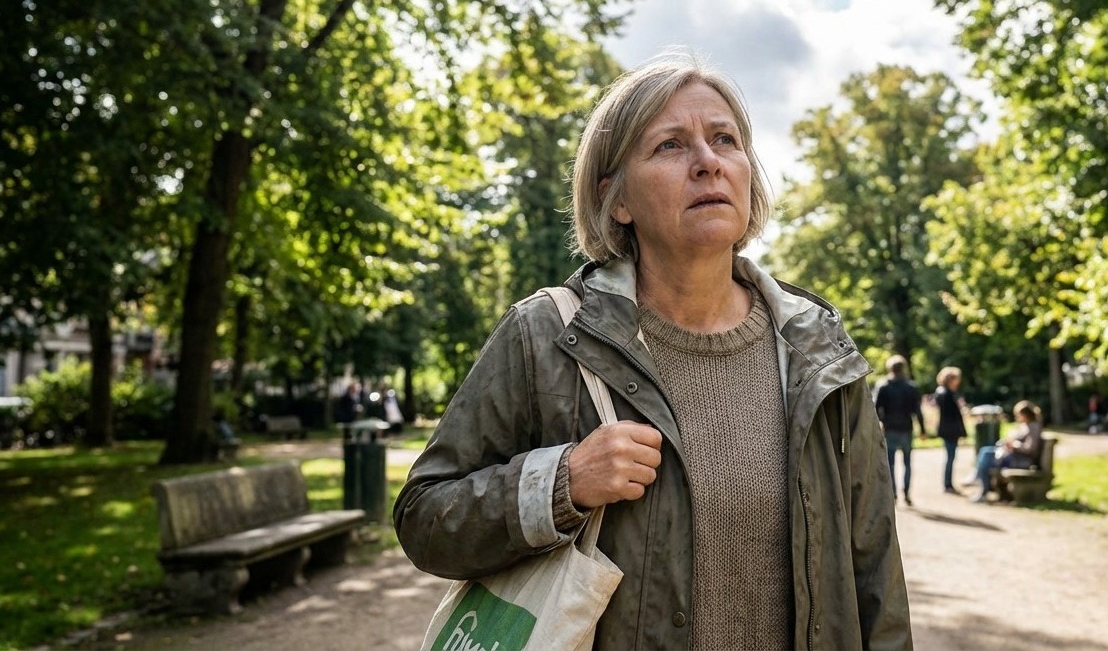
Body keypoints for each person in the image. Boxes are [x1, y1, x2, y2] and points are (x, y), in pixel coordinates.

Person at [393, 51, 913, 650]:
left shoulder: (818, 350)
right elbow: (424, 518)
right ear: (617, 199)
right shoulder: (546, 336)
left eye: (725, 139)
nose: (708, 162)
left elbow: (874, 570)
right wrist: (562, 483)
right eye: (670, 145)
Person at [875, 355, 925, 506]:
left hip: (890, 428)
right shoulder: (910, 387)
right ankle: (907, 493)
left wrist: (881, 422)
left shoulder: (883, 386)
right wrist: (922, 429)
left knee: (890, 463)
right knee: (907, 463)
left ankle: (894, 494)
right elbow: (917, 410)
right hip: (906, 428)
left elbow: (876, 408)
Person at [969, 400, 1043, 503]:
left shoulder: (1033, 427)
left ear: (1025, 414)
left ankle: (982, 488)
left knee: (986, 457)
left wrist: (1014, 445)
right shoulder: (1024, 426)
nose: (1017, 418)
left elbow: (1030, 448)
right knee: (985, 451)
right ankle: (980, 482)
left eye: (1018, 415)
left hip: (1021, 459)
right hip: (1012, 455)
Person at [932, 366, 968, 494]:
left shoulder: (944, 393)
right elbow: (952, 414)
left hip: (948, 429)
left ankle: (948, 483)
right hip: (950, 430)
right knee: (950, 457)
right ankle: (948, 484)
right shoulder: (946, 394)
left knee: (951, 456)